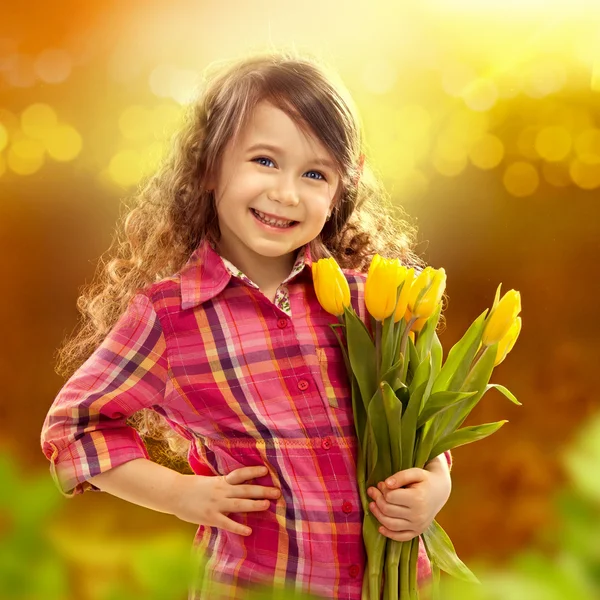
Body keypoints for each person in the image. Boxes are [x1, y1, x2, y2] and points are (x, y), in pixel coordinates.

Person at [40, 49, 453, 600]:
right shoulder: (171, 316)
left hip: (393, 585)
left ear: (339, 191)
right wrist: (181, 494)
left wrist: (435, 487)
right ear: (210, 167)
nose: (286, 192)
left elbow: (417, 423)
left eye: (314, 173)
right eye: (264, 160)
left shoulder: (369, 301)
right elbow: (73, 429)